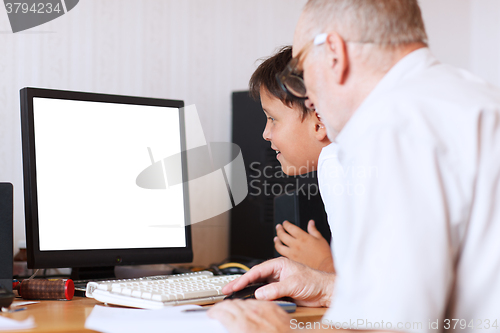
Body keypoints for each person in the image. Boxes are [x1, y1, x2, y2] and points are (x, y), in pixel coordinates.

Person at [208, 1, 500, 332]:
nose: (310, 95)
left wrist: (284, 331)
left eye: (301, 68)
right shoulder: (476, 98)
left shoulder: (390, 124)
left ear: (333, 52)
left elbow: (387, 327)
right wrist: (323, 285)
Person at [249, 45, 334, 273]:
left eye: (273, 119)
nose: (265, 133)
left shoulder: (336, 164)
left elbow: (368, 294)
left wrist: (323, 263)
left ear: (319, 122)